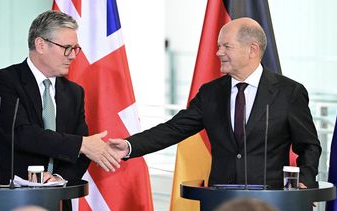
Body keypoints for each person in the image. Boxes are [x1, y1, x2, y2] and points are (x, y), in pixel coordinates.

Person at [109, 17, 321, 189]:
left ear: (252, 50)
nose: (218, 52)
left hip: (271, 201)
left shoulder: (289, 92)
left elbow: (309, 145)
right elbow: (173, 129)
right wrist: (129, 146)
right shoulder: (210, 93)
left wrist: (305, 181)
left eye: (226, 46)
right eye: (219, 46)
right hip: (220, 200)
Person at [0, 10, 121, 189]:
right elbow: (21, 133)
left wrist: (59, 178)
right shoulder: (2, 81)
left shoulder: (74, 93)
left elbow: (82, 153)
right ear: (41, 45)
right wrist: (82, 144)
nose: (73, 56)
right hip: (5, 196)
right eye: (67, 48)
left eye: (75, 49)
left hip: (56, 198)